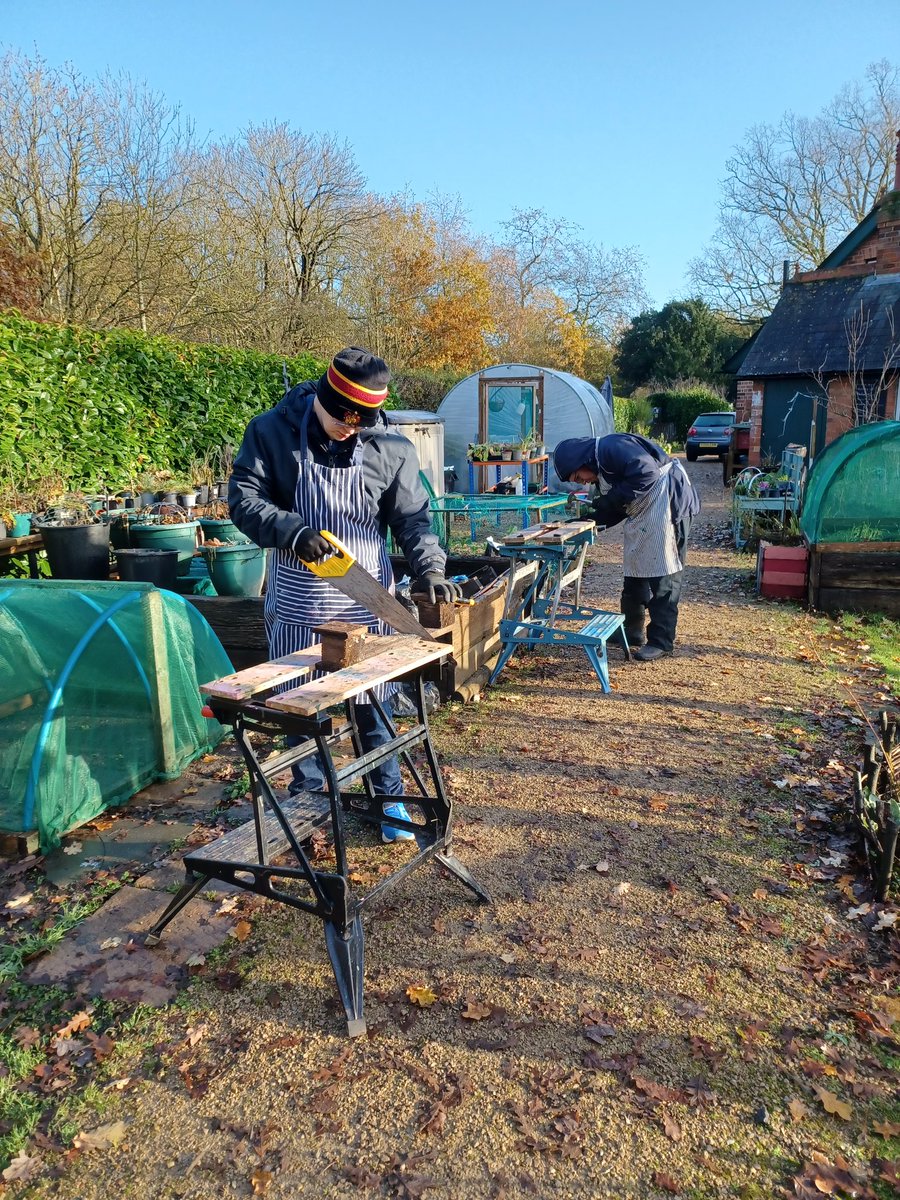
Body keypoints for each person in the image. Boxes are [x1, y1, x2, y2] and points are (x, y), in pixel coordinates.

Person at [228, 347, 461, 840]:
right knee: (299, 711)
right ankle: (310, 806)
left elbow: (413, 521)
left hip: (367, 601)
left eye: (361, 419)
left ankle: (390, 802)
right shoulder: (270, 433)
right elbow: (244, 500)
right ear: (322, 396)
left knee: (374, 707)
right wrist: (290, 530)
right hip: (299, 604)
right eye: (341, 416)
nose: (349, 426)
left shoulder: (390, 448)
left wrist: (430, 568)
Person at [552, 434, 700, 662]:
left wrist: (610, 500)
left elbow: (647, 475)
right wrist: (591, 521)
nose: (581, 482)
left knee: (665, 578)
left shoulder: (612, 448)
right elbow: (620, 505)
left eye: (577, 476)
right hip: (646, 512)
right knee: (635, 571)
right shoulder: (602, 467)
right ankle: (631, 631)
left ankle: (662, 641)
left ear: (581, 461)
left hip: (667, 504)